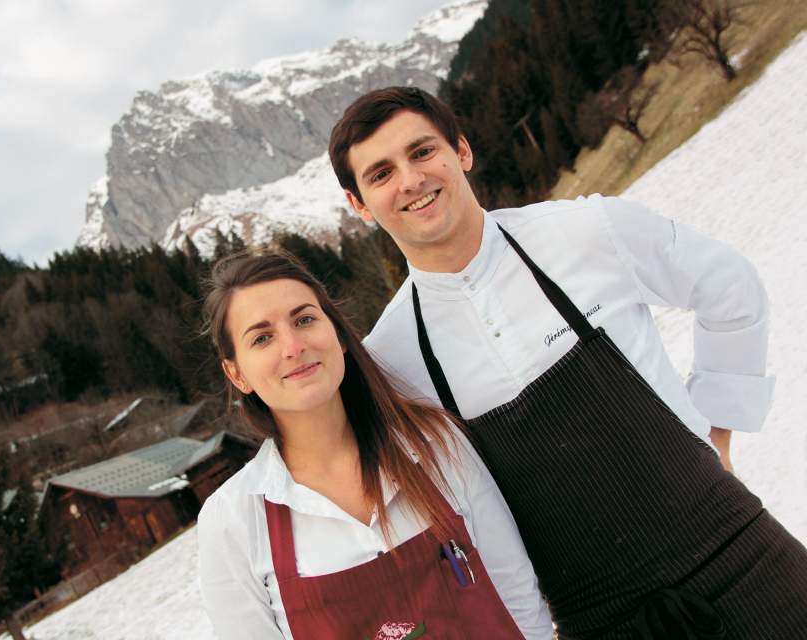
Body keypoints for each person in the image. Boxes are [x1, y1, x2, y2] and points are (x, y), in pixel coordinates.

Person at [327, 85, 807, 639]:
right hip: (598, 621)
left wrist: (718, 430)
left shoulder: (583, 233)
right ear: (359, 204)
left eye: (421, 151)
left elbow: (730, 286)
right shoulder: (393, 358)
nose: (411, 180)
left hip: (740, 558)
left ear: (461, 151)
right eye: (380, 174)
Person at [197, 252, 555, 639]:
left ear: (338, 334)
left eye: (304, 320)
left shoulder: (433, 443)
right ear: (237, 374)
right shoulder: (234, 520)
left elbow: (518, 598)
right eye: (262, 338)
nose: (292, 346)